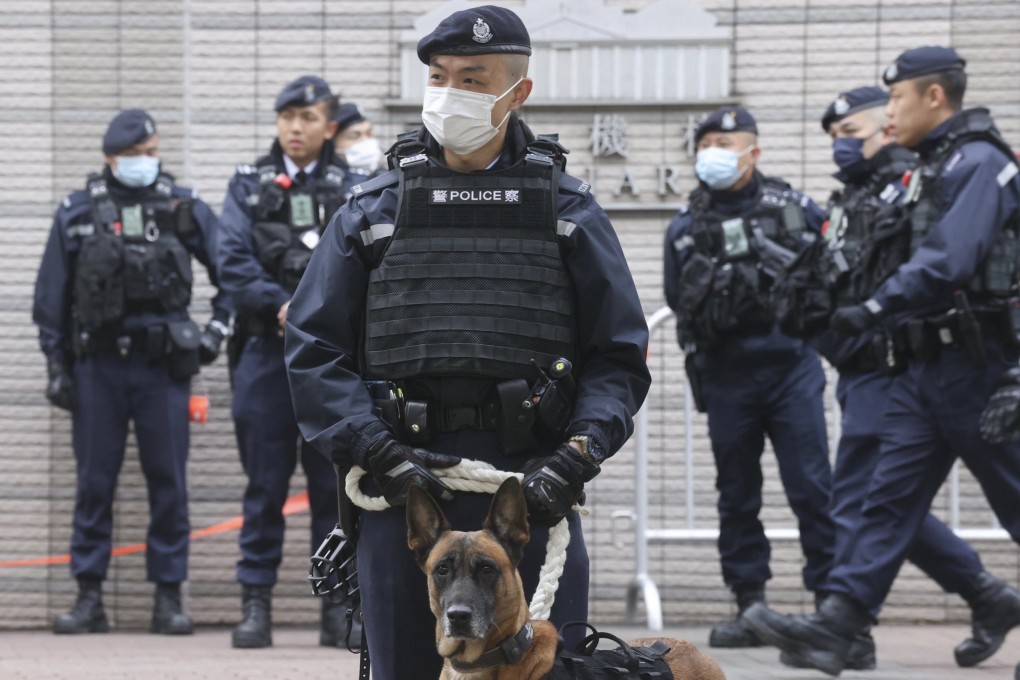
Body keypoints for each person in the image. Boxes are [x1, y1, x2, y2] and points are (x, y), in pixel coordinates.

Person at [282, 6, 651, 679]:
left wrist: (575, 457)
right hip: (403, 485)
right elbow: (313, 349)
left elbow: (618, 357)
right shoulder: (373, 211)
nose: (450, 93)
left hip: (528, 488)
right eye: (439, 76)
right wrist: (375, 451)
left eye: (473, 80)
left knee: (549, 671)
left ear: (518, 93)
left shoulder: (567, 212)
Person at [744, 46, 1020, 677]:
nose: (889, 111)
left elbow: (949, 258)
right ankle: (840, 627)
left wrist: (872, 310)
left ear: (934, 97)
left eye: (896, 99)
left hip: (981, 370)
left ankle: (958, 603)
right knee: (883, 503)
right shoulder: (930, 168)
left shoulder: (981, 163)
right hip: (923, 370)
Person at [32, 108, 230, 636]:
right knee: (94, 485)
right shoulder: (77, 211)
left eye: (151, 152)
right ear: (109, 157)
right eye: (134, 155)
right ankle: (88, 598)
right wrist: (57, 365)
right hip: (97, 371)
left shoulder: (181, 206)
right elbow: (50, 297)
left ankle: (168, 599)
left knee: (169, 484)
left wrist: (218, 333)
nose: (145, 162)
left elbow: (228, 270)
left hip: (163, 371)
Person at [662, 106, 836, 649]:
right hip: (727, 373)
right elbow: (676, 298)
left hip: (791, 369)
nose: (712, 150)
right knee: (737, 494)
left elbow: (832, 273)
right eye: (705, 141)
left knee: (812, 487)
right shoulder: (685, 227)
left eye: (724, 140)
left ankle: (834, 609)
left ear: (753, 151)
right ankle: (750, 605)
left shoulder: (796, 209)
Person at [217, 75, 351, 649]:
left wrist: (314, 312)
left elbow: (366, 260)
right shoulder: (247, 186)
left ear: (330, 126)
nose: (295, 127)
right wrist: (280, 306)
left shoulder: (357, 186)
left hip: (330, 362)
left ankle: (337, 609)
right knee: (263, 487)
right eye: (286, 117)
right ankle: (255, 606)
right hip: (265, 358)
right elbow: (231, 258)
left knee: (335, 491)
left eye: (307, 117)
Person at [333, 102, 386, 190]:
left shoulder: (385, 177)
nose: (366, 141)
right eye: (354, 136)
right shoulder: (328, 183)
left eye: (369, 133)